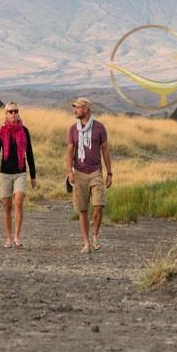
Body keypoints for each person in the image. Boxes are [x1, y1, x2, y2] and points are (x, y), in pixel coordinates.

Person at [65, 97, 112, 253]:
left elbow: (105, 150)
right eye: (75, 108)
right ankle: (86, 243)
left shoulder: (99, 127)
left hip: (96, 172)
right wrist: (69, 171)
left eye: (78, 108)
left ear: (85, 108)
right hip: (79, 173)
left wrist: (109, 173)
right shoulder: (73, 129)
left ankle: (96, 235)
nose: (75, 110)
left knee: (99, 205)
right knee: (82, 209)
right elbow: (70, 151)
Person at [0, 102, 37, 248]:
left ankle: (17, 236)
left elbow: (29, 154)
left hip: (20, 172)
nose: (13, 114)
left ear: (18, 113)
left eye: (15, 111)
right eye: (10, 111)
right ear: (6, 114)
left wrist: (33, 176)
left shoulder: (24, 130)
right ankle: (8, 238)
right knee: (6, 206)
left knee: (18, 202)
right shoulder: (1, 131)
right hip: (5, 173)